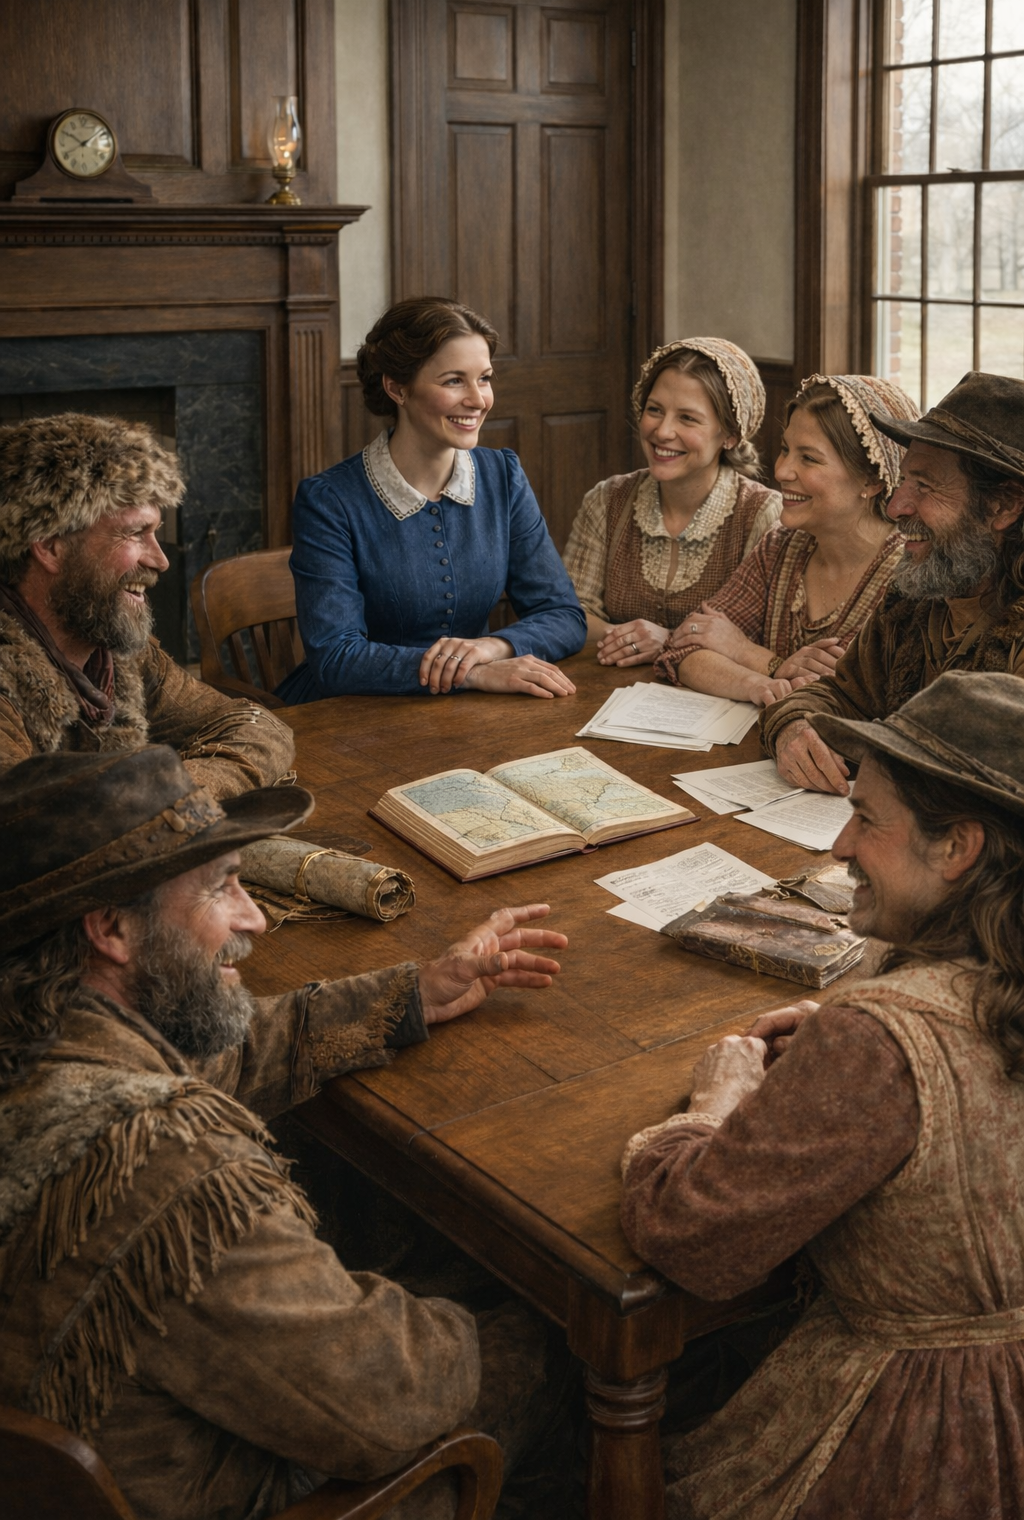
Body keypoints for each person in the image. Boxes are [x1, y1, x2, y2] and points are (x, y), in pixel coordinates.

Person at [0, 744, 570, 1520]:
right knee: (563, 1339)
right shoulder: (163, 1164)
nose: (254, 918)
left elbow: (218, 1056)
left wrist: (411, 995)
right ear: (111, 929)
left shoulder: (41, 1038)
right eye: (219, 889)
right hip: (249, 1495)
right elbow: (384, 1400)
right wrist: (519, 1332)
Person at [621, 670, 1024, 1520]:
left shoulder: (877, 1042)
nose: (840, 845)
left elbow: (690, 1236)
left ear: (958, 849)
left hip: (926, 1442)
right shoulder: (975, 993)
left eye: (869, 819)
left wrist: (715, 1108)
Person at [277, 298, 585, 701]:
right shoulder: (329, 501)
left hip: (470, 711)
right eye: (454, 381)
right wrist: (470, 673)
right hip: (352, 715)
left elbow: (563, 616)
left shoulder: (503, 476)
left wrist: (491, 648)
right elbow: (337, 658)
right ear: (397, 388)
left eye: (485, 378)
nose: (478, 400)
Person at [0, 413, 293, 799]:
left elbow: (259, 728)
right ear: (51, 546)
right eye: (135, 533)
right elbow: (24, 831)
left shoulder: (121, 657)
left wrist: (165, 793)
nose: (160, 560)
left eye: (155, 532)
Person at [761, 371, 1024, 795]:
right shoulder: (919, 597)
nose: (897, 506)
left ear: (1004, 504)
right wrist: (792, 728)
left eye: (925, 485)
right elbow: (839, 696)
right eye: (904, 480)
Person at [655, 375, 916, 704]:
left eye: (808, 458)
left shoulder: (908, 579)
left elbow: (840, 696)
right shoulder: (781, 547)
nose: (781, 471)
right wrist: (760, 683)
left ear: (872, 479)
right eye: (785, 450)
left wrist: (745, 652)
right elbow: (687, 646)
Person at [561, 337, 781, 667]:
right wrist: (635, 640)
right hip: (609, 690)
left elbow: (759, 640)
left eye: (687, 418)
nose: (662, 432)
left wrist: (667, 640)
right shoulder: (606, 500)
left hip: (719, 700)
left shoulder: (764, 515)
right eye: (655, 410)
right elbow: (571, 613)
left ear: (731, 435)